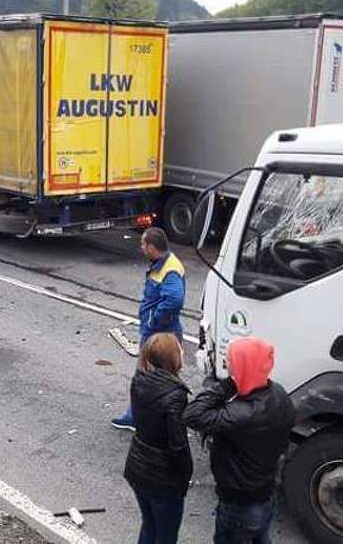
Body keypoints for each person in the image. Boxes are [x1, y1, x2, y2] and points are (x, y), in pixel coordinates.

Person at [182, 338, 295, 544]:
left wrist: (228, 384)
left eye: (232, 361)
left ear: (244, 366)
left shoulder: (241, 414)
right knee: (261, 537)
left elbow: (192, 414)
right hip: (266, 493)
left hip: (239, 502)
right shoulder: (279, 394)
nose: (229, 365)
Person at [113, 227, 186, 431]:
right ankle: (170, 418)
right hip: (166, 331)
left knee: (143, 376)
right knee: (169, 377)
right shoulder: (167, 263)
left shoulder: (169, 269)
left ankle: (134, 418)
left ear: (152, 248)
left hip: (159, 333)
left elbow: (174, 300)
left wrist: (153, 322)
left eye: (144, 244)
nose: (141, 247)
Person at [124, 333, 193, 544]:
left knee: (149, 526)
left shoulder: (140, 380)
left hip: (137, 467)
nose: (183, 352)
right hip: (162, 478)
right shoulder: (175, 395)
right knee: (166, 536)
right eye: (179, 349)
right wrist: (186, 473)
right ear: (171, 357)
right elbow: (178, 445)